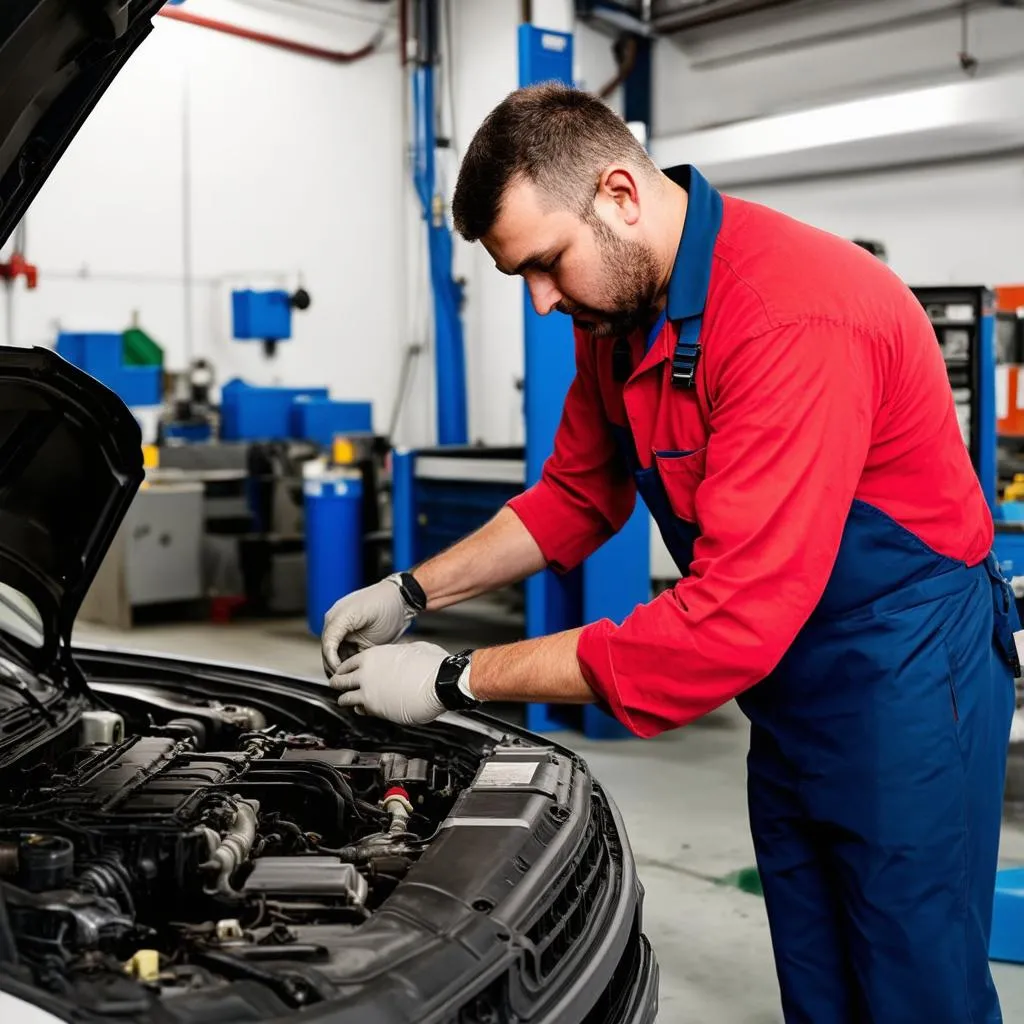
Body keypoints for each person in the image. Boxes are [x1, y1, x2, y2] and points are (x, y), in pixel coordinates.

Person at [321, 83, 1020, 1022]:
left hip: (907, 675)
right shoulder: (618, 312)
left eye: (546, 264)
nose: (539, 302)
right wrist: (410, 590)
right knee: (817, 972)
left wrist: (455, 678)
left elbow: (726, 621)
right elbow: (576, 494)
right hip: (791, 681)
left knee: (914, 982)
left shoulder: (788, 316)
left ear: (618, 192)